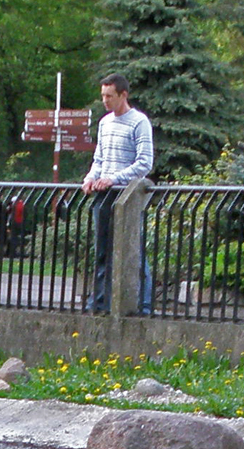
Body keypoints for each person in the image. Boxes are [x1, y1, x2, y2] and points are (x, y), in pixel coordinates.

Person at [82, 74, 153, 314]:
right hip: (104, 193)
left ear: (123, 95)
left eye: (109, 96)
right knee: (102, 250)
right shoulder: (104, 123)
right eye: (103, 96)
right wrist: (91, 178)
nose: (105, 101)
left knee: (134, 251)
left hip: (127, 195)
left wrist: (115, 178)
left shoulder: (139, 122)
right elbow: (99, 159)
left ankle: (142, 305)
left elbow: (144, 163)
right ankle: (100, 302)